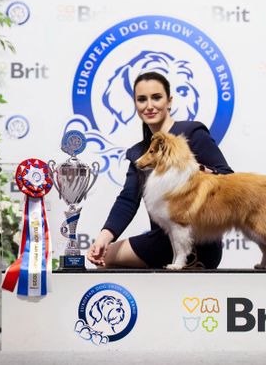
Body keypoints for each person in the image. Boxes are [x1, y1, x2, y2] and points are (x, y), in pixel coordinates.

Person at [87, 71, 233, 269]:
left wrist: (194, 169)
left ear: (169, 101)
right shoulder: (139, 152)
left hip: (199, 242)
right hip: (161, 240)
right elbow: (128, 200)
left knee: (109, 260)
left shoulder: (192, 133)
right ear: (135, 105)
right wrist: (104, 237)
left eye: (156, 97)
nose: (149, 105)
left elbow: (227, 177)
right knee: (104, 259)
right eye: (141, 99)